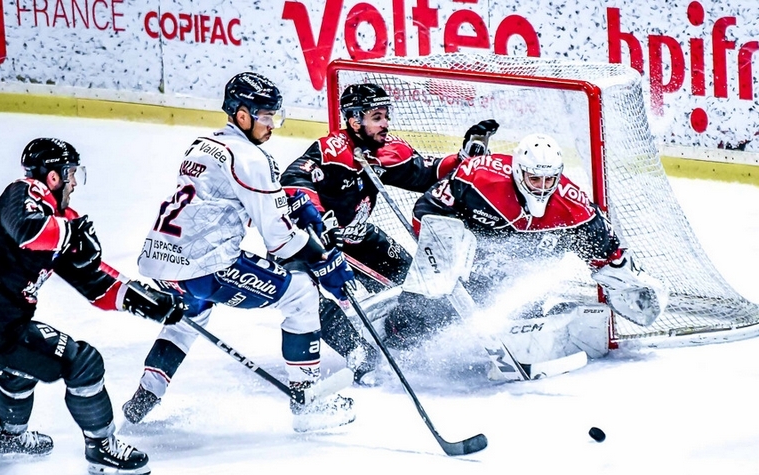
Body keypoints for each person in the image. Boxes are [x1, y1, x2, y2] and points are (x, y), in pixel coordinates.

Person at [122, 72, 356, 433]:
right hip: (205, 266)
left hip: (161, 260)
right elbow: (279, 240)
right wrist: (322, 259)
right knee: (300, 294)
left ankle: (146, 395)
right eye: (265, 117)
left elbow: (223, 200)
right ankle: (311, 404)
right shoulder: (251, 158)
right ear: (242, 115)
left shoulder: (203, 145)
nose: (272, 126)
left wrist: (287, 199)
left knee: (188, 320)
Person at [0, 138, 186, 475]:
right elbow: (27, 230)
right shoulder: (23, 191)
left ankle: (9, 437)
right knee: (83, 362)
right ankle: (102, 447)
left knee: (22, 364)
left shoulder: (61, 219)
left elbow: (93, 282)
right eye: (71, 173)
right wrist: (69, 232)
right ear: (53, 176)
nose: (75, 182)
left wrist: (143, 300)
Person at [280, 82, 500, 383]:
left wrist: (464, 158)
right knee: (311, 303)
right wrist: (319, 222)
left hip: (358, 236)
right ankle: (357, 352)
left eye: (386, 115)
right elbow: (294, 179)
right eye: (377, 117)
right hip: (307, 244)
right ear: (355, 119)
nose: (385, 123)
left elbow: (428, 173)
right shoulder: (332, 150)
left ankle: (407, 335)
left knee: (416, 285)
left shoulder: (387, 150)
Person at [385, 133, 667, 348]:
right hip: (465, 264)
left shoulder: (574, 207)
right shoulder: (477, 177)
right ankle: (396, 335)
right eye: (535, 179)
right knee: (416, 320)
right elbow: (427, 209)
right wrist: (447, 255)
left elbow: (608, 254)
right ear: (518, 171)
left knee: (519, 331)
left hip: (514, 277)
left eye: (549, 180)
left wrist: (632, 284)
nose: (543, 187)